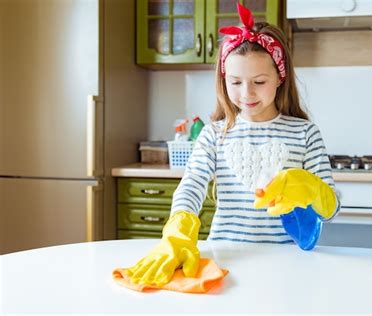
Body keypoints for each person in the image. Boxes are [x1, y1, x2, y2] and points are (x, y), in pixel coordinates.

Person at [120, 3, 340, 287]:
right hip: (227, 259)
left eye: (259, 81)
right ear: (224, 81)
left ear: (279, 78)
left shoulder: (305, 133)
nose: (246, 93)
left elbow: (331, 209)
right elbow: (192, 184)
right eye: (235, 82)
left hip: (287, 261)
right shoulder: (214, 134)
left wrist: (312, 189)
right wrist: (178, 228)